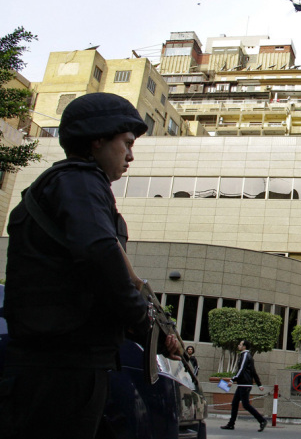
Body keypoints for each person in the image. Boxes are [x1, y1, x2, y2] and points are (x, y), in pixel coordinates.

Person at [0, 93, 180, 439]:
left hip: (63, 365)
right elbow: (100, 257)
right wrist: (144, 325)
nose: (131, 155)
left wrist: (152, 333)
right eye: (127, 143)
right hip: (62, 369)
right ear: (97, 139)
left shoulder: (69, 185)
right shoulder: (79, 181)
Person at [221, 340, 267, 432]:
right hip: (242, 384)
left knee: (246, 405)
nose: (238, 345)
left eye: (240, 344)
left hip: (244, 384)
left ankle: (262, 420)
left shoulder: (245, 355)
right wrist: (259, 384)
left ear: (244, 346)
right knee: (235, 403)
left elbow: (241, 369)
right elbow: (253, 371)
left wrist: (233, 379)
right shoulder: (245, 355)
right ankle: (231, 424)